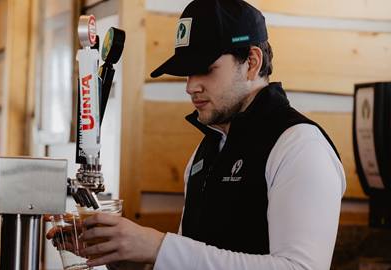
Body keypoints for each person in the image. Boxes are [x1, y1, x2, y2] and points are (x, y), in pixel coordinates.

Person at [49, 0, 346, 269]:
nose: (190, 87)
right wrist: (124, 255)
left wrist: (158, 247)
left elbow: (300, 268)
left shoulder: (299, 147)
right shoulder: (206, 153)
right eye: (187, 72)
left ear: (252, 62)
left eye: (205, 69)